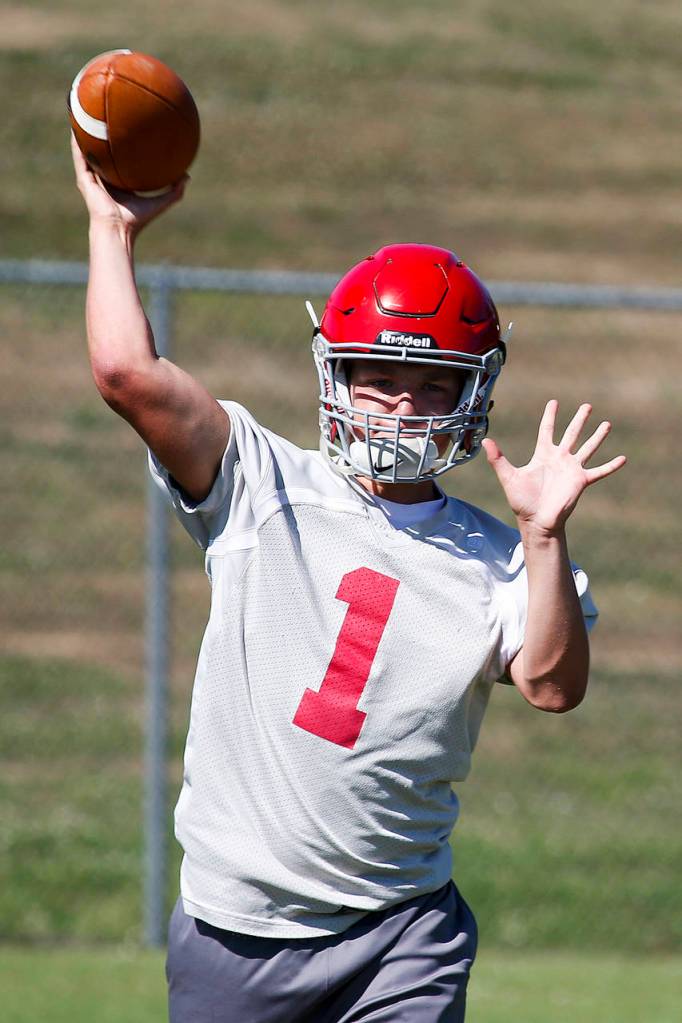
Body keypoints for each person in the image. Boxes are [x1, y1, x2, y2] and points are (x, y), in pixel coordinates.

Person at [72, 134, 626, 1023]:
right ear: (335, 375)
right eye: (375, 377)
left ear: (470, 394)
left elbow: (555, 685)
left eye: (427, 380)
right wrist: (110, 228)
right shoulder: (261, 482)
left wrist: (546, 533)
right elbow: (125, 373)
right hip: (235, 924)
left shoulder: (502, 553)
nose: (400, 403)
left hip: (400, 933)